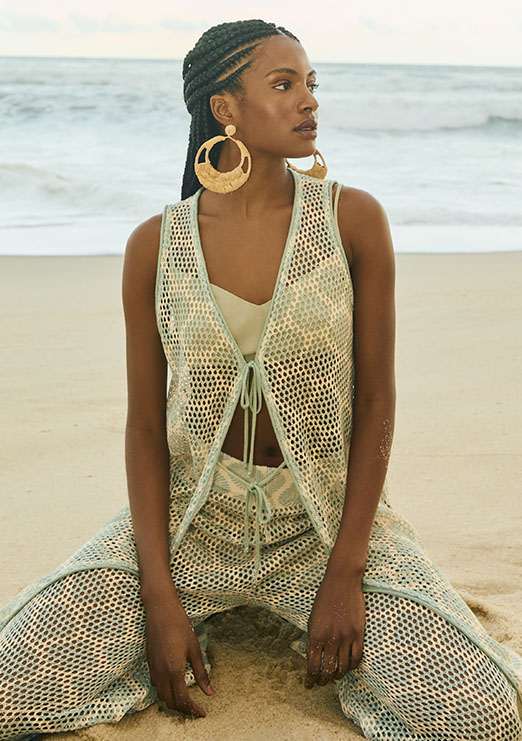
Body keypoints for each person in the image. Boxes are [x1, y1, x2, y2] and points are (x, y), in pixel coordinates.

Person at [0, 18, 521, 741]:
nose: (308, 100)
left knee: (480, 715)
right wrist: (158, 593)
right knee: (10, 685)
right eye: (284, 84)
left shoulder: (352, 221)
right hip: (192, 521)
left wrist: (346, 567)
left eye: (312, 84)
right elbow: (147, 426)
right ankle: (208, 610)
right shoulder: (157, 245)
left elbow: (376, 401)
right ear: (225, 109)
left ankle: (289, 601)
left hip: (321, 527)